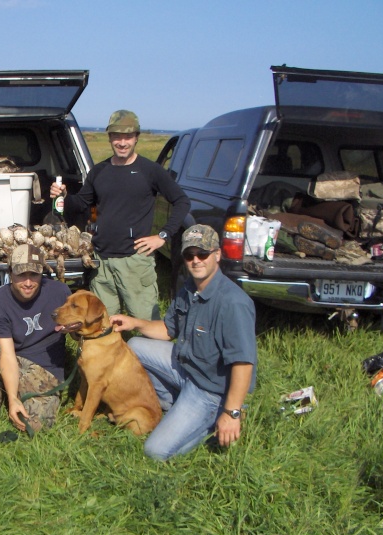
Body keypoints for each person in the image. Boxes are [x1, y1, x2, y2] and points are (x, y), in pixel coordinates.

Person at [110, 225, 257, 461]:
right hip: (186, 368)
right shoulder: (189, 288)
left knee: (156, 452)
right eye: (189, 255)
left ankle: (214, 418)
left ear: (217, 255)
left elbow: (243, 364)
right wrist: (133, 322)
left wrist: (232, 412)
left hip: (210, 390)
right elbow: (169, 330)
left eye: (202, 254)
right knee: (135, 345)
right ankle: (174, 405)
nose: (195, 260)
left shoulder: (233, 303)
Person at [50, 109, 190, 320]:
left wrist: (162, 236)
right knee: (102, 324)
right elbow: (79, 204)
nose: (122, 142)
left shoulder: (150, 170)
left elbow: (182, 201)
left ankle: (147, 354)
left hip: (135, 262)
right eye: (117, 136)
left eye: (128, 136)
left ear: (136, 138)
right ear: (109, 138)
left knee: (145, 325)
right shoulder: (99, 171)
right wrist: (64, 195)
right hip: (102, 262)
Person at [0, 244, 71, 434]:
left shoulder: (61, 293)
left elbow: (79, 333)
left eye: (34, 275)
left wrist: (77, 331)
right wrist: (13, 398)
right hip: (11, 356)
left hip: (43, 366)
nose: (28, 282)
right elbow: (7, 354)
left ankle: (14, 392)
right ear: (10, 273)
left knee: (34, 426)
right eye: (21, 275)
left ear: (41, 274)